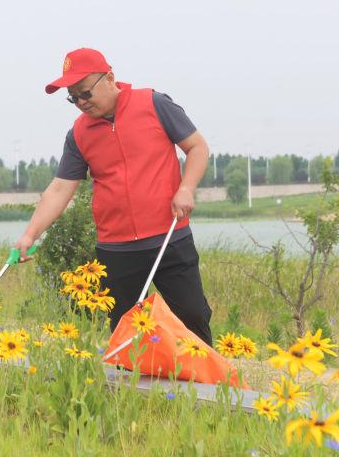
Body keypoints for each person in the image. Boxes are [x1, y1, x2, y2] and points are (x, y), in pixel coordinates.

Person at [13, 48, 213, 344]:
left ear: (109, 77)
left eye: (85, 93)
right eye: (73, 98)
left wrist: (186, 188)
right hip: (117, 249)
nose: (81, 103)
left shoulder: (155, 104)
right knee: (125, 332)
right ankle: (135, 390)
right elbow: (59, 189)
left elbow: (197, 147)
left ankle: (202, 386)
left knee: (193, 319)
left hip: (169, 238)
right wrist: (30, 235)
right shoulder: (79, 133)